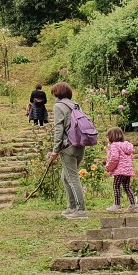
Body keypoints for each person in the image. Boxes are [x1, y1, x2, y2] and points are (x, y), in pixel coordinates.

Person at [49, 82, 89, 219]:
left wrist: (55, 150)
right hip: (80, 144)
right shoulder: (75, 105)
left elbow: (59, 129)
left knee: (72, 178)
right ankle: (72, 207)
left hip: (68, 147)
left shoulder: (59, 106)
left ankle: (81, 210)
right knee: (65, 177)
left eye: (54, 93)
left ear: (57, 93)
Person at [104, 127, 138, 213]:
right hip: (127, 170)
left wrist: (108, 167)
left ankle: (117, 205)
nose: (106, 139)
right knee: (127, 187)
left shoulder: (114, 145)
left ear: (112, 137)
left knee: (116, 186)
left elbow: (114, 158)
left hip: (119, 171)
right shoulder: (126, 146)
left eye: (107, 137)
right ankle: (133, 206)